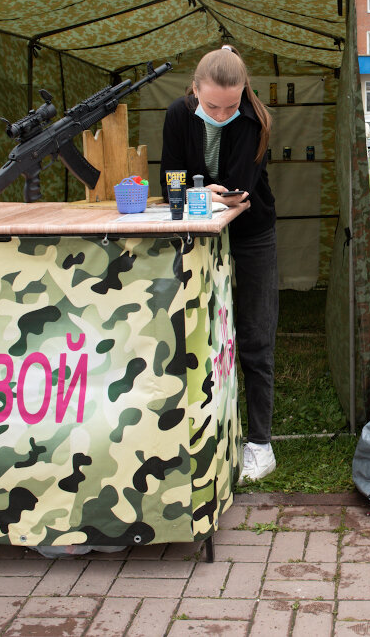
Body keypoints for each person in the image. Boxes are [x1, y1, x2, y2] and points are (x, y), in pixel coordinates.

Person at [160, 45, 278, 482]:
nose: (223, 114)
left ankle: (261, 445)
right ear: (194, 91)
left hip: (252, 236)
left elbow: (238, 193)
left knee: (255, 336)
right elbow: (169, 176)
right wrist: (197, 192)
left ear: (244, 92)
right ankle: (205, 430)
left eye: (231, 105)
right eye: (212, 105)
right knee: (199, 335)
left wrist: (196, 192)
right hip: (196, 237)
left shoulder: (255, 119)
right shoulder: (176, 114)